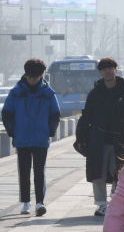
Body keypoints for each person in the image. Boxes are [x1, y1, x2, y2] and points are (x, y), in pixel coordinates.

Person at [1, 59, 60, 216]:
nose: (32, 80)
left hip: (41, 139)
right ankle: (26, 202)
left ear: (41, 75)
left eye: (35, 77)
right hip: (21, 139)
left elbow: (55, 115)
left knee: (39, 171)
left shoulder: (48, 94)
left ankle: (40, 202)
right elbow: (6, 113)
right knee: (24, 171)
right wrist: (13, 131)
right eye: (29, 77)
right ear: (26, 75)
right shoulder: (16, 92)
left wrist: (50, 131)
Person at [75, 58, 124, 216]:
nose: (107, 72)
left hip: (120, 138)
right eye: (104, 69)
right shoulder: (95, 93)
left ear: (116, 69)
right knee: (97, 172)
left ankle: (116, 200)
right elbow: (86, 116)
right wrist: (81, 138)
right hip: (97, 139)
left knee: (119, 171)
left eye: (110, 68)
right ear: (100, 72)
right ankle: (101, 204)